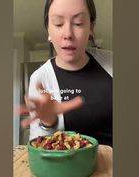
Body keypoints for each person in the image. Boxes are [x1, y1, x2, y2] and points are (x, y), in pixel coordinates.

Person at [20, 0, 113, 147]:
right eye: (58, 24)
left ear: (91, 27)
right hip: (69, 169)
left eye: (78, 23)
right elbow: (40, 151)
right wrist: (48, 123)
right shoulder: (40, 79)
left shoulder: (112, 62)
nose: (68, 34)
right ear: (48, 30)